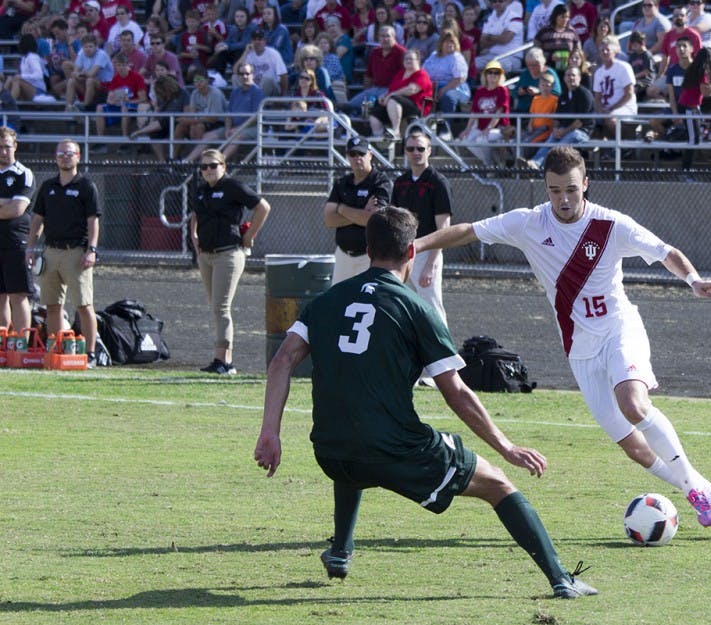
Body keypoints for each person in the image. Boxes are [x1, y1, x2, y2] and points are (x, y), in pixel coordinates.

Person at [253, 205, 598, 600]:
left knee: (352, 451)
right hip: (395, 451)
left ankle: (340, 552)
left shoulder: (326, 300)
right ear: (412, 253)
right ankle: (561, 579)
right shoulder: (417, 309)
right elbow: (457, 393)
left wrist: (270, 434)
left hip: (331, 451)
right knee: (500, 485)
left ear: (367, 249)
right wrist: (506, 446)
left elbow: (281, 360)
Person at [415, 146, 711, 542]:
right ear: (546, 188)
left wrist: (694, 281)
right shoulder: (528, 223)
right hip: (580, 350)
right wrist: (416, 246)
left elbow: (665, 252)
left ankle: (693, 489)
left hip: (620, 330)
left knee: (634, 405)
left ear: (585, 184)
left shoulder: (610, 224)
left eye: (571, 189)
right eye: (555, 191)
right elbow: (468, 230)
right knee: (636, 449)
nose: (564, 199)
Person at [189, 149, 271, 375]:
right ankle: (221, 360)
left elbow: (263, 207)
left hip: (228, 253)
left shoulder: (233, 186)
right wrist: (194, 237)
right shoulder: (200, 191)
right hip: (206, 254)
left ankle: (224, 361)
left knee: (221, 307)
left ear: (224, 166)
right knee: (215, 307)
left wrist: (249, 235)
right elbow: (195, 214)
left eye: (213, 165)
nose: (208, 170)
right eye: (204, 167)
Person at [25, 139, 101, 367]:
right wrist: (30, 247)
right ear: (55, 158)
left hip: (75, 252)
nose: (65, 157)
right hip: (51, 251)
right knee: (52, 305)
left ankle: (91, 353)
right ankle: (56, 349)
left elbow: (93, 221)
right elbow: (37, 219)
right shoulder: (47, 186)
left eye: (69, 153)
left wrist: (92, 250)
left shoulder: (86, 186)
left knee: (83, 305)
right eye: (61, 153)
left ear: (78, 156)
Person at [391, 129, 451, 327]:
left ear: (429, 151)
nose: (416, 152)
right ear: (405, 152)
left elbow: (444, 228)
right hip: (402, 253)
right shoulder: (400, 183)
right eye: (410, 148)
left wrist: (431, 264)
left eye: (420, 148)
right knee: (403, 306)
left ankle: (444, 353)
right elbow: (394, 221)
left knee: (432, 306)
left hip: (426, 252)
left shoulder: (438, 183)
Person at [323, 137, 392, 283]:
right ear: (347, 156)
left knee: (366, 303)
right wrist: (360, 213)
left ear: (370, 155)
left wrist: (341, 208)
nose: (357, 158)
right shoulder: (342, 183)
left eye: (361, 154)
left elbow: (373, 219)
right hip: (343, 255)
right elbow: (329, 220)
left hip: (369, 257)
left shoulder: (380, 181)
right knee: (339, 302)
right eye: (353, 154)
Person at [520, 65, 594, 169]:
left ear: (579, 78)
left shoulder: (584, 94)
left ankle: (541, 168)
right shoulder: (564, 95)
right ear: (564, 78)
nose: (570, 78)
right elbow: (557, 118)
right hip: (564, 130)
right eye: (568, 75)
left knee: (558, 148)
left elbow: (580, 122)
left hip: (580, 132)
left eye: (573, 75)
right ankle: (533, 164)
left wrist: (564, 131)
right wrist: (555, 129)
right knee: (549, 142)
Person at [0, 128, 35, 334]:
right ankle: (3, 343)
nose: (3, 151)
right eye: (0, 147)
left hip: (15, 242)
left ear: (15, 146)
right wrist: (5, 202)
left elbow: (17, 209)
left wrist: (9, 205)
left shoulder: (24, 174)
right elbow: (8, 206)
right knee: (0, 296)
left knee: (18, 295)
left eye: (7, 147)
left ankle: (22, 343)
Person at [367, 49, 433, 140]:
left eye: (411, 59)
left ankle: (396, 131)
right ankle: (379, 137)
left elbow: (412, 90)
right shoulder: (400, 73)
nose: (408, 61)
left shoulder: (421, 74)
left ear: (418, 61)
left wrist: (391, 95)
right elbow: (391, 89)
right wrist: (384, 96)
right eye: (406, 59)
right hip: (395, 106)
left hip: (417, 106)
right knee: (375, 112)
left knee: (394, 99)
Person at [344, 25, 406, 116]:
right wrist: (367, 92)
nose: (384, 39)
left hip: (391, 91)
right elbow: (368, 75)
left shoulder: (401, 53)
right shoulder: (375, 52)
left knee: (371, 108)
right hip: (375, 89)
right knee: (351, 105)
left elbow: (406, 76)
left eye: (387, 36)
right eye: (382, 36)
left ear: (394, 37)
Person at [458, 60, 511, 166]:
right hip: (481, 127)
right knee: (464, 140)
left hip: (499, 128)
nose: (493, 75)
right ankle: (491, 161)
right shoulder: (480, 91)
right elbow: (474, 113)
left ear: (500, 75)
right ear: (485, 75)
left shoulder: (502, 90)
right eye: (490, 72)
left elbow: (499, 112)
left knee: (481, 140)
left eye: (496, 72)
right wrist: (467, 130)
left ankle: (488, 166)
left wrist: (490, 127)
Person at [129, 73, 186, 162]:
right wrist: (156, 107)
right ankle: (162, 161)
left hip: (179, 122)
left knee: (167, 124)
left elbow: (188, 112)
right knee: (155, 133)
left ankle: (174, 158)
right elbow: (160, 115)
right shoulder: (162, 96)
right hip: (164, 122)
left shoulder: (183, 94)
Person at [591, 36, 637, 140]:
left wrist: (612, 108)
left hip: (625, 107)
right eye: (602, 50)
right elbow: (597, 97)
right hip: (606, 109)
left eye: (608, 50)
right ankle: (595, 152)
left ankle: (624, 146)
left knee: (611, 119)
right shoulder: (599, 72)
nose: (605, 52)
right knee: (588, 120)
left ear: (614, 52)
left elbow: (629, 93)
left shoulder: (624, 67)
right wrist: (600, 109)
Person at [478, 0, 525, 75]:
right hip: (491, 55)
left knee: (494, 67)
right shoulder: (489, 18)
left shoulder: (515, 17)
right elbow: (482, 42)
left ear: (506, 2)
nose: (497, 3)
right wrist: (499, 37)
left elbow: (505, 39)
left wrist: (489, 36)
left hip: (511, 57)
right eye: (494, 1)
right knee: (473, 64)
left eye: (500, 1)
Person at [4, 34, 48, 103]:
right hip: (27, 87)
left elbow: (38, 75)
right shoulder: (24, 58)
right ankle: (2, 102)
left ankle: (9, 106)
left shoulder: (32, 57)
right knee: (10, 78)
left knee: (17, 81)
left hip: (37, 90)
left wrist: (21, 76)